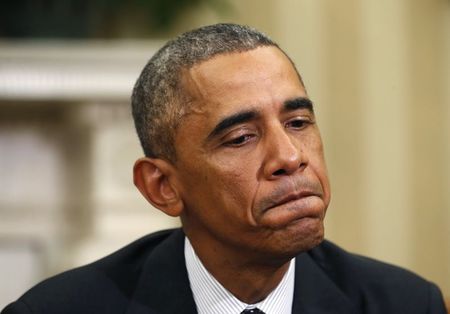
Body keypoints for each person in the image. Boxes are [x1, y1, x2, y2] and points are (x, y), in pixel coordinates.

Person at [2, 23, 447, 314]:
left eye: (298, 122)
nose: (290, 157)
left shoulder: (405, 304)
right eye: (241, 138)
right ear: (162, 186)